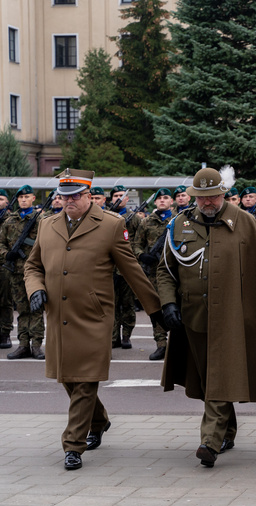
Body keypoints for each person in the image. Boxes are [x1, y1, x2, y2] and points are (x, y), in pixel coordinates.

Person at [23, 169, 162, 470]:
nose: (68, 201)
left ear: (88, 195)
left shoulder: (111, 225)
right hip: (58, 316)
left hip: (93, 317)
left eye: (75, 195)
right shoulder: (48, 225)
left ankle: (73, 445)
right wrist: (36, 289)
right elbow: (32, 266)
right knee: (68, 379)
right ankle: (98, 421)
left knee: (85, 380)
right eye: (64, 196)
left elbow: (132, 270)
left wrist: (156, 310)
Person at [157, 167, 256, 468]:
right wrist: (168, 304)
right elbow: (165, 270)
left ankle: (209, 442)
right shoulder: (180, 224)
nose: (208, 202)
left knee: (220, 376)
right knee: (205, 379)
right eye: (202, 197)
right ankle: (228, 429)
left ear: (223, 194)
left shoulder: (244, 222)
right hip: (193, 317)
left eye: (213, 196)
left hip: (232, 317)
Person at [0, 185, 46, 359]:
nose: (23, 200)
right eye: (20, 198)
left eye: (27, 197)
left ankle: (36, 346)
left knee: (36, 309)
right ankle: (23, 344)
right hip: (16, 272)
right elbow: (1, 243)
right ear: (17, 200)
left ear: (33, 198)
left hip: (35, 272)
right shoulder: (10, 221)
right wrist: (7, 255)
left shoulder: (41, 220)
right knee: (22, 310)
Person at [132, 188, 174, 360]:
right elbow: (136, 245)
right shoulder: (146, 222)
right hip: (154, 272)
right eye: (159, 199)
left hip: (175, 270)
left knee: (177, 307)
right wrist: (143, 256)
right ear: (155, 203)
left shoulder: (179, 220)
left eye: (166, 198)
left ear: (172, 201)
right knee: (156, 308)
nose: (162, 201)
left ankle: (178, 345)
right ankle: (161, 344)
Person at [107, 186, 138, 350]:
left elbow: (139, 241)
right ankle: (113, 337)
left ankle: (126, 336)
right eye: (115, 196)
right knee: (111, 304)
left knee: (127, 304)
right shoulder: (105, 217)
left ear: (127, 199)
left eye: (122, 195)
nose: (119, 198)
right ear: (111, 198)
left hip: (126, 268)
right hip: (108, 269)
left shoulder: (135, 218)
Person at [0, 189, 14, 349]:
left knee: (5, 301)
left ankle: (5, 334)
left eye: (1, 199)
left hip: (4, 264)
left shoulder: (10, 220)